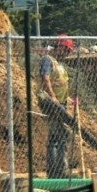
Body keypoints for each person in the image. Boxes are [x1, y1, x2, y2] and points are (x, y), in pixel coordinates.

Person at [39, 38, 73, 178]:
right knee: (59, 135)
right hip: (51, 103)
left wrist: (68, 99)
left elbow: (61, 82)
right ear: (59, 47)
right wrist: (52, 96)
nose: (66, 54)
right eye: (65, 50)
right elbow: (45, 78)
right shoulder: (48, 60)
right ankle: (56, 170)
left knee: (60, 135)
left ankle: (58, 169)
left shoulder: (60, 64)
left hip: (61, 103)